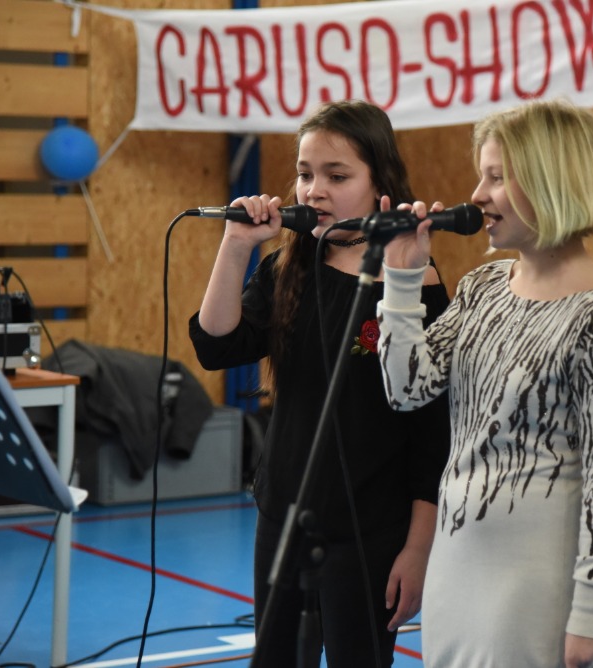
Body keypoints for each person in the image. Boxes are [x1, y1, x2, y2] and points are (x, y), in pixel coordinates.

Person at [377, 98, 593, 668]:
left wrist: (592, 613)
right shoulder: (484, 287)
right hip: (455, 564)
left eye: (496, 178)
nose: (477, 195)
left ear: (553, 182)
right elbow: (407, 389)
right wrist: (402, 280)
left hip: (531, 582)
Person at [188, 100, 451, 668]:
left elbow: (432, 431)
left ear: (380, 182)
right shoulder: (291, 266)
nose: (315, 191)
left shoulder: (412, 280)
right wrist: (236, 246)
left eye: (337, 176)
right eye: (305, 174)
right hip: (283, 514)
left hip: (368, 528)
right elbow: (216, 345)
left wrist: (418, 548)